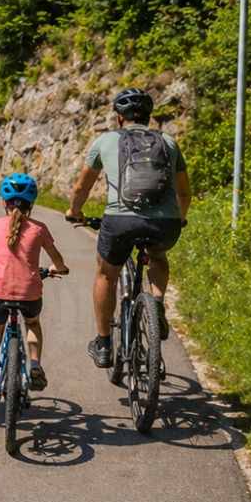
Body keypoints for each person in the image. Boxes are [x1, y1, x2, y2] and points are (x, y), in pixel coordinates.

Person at [65, 88, 192, 369]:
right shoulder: (169, 142)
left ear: (118, 117)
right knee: (158, 256)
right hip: (165, 224)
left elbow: (80, 187)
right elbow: (184, 194)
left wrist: (75, 213)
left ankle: (102, 344)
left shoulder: (106, 140)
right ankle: (156, 303)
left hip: (120, 222)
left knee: (106, 274)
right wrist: (178, 219)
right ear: (148, 116)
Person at [0, 173, 68, 419]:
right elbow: (58, 261)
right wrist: (57, 270)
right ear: (31, 203)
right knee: (32, 323)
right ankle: (34, 365)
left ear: (4, 202)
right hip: (30, 292)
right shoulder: (40, 229)